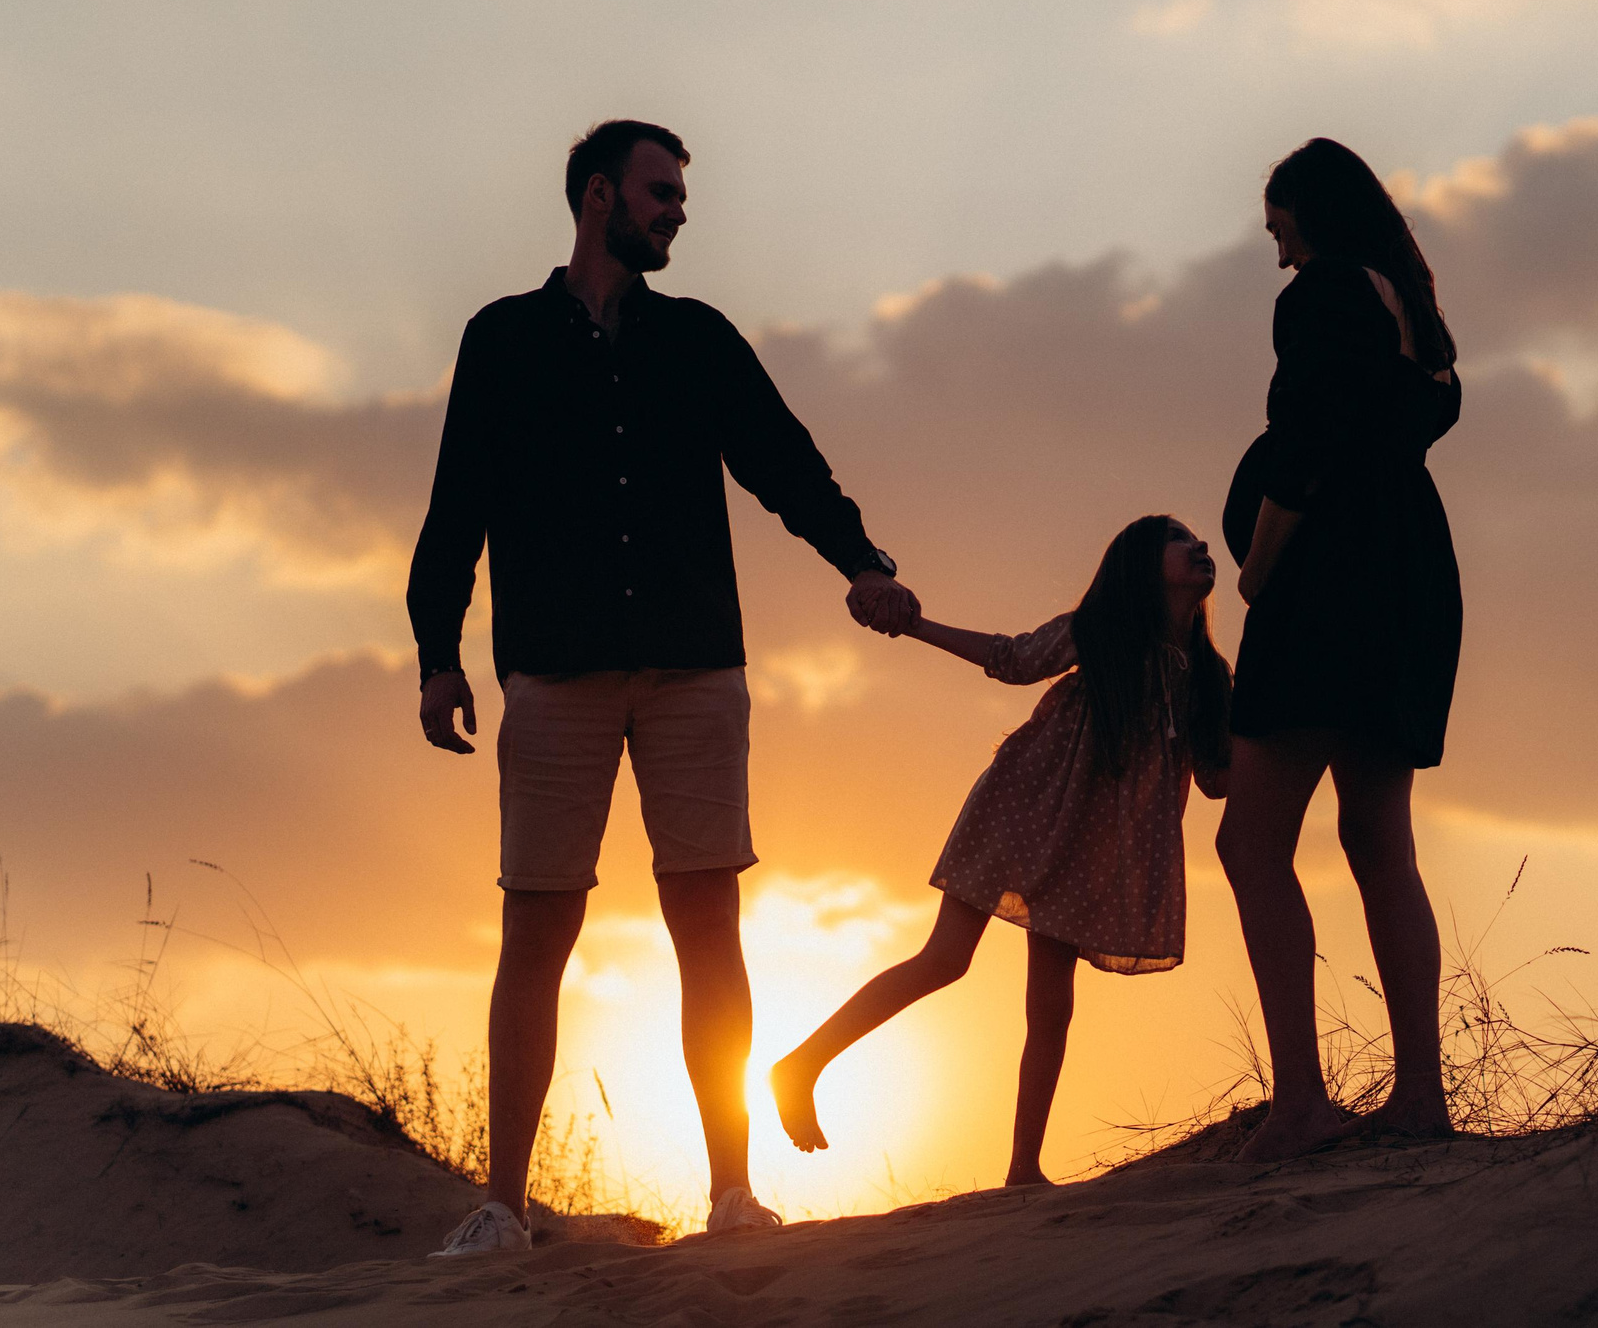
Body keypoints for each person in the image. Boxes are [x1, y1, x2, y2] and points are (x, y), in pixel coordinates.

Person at [408, 119, 920, 1256]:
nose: (678, 209)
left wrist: (864, 564)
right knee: (534, 931)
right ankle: (504, 1206)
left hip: (696, 670)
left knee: (708, 930)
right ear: (599, 198)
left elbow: (787, 463)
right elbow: (457, 507)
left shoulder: (699, 341)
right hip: (553, 675)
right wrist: (436, 653)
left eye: (681, 194)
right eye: (660, 191)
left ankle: (731, 1192)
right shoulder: (502, 339)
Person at [769, 515, 1232, 1187]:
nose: (1199, 547)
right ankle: (801, 1064)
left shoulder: (1208, 677)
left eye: (1198, 540)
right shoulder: (1101, 630)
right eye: (1179, 540)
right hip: (1021, 806)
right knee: (945, 959)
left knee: (1052, 1002)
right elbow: (1012, 658)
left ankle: (1022, 1169)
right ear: (1139, 565)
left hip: (1090, 845)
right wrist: (914, 625)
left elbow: (1220, 781)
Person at [1216, 137, 1464, 1164]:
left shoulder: (1319, 293)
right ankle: (1418, 1094)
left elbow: (1304, 443)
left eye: (1276, 225)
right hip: (1410, 577)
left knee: (1250, 843)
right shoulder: (1412, 310)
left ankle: (1302, 1102)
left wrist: (1260, 566)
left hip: (1329, 578)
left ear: (1306, 213)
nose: (1273, 247)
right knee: (1376, 840)